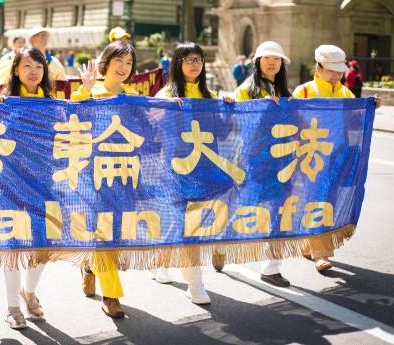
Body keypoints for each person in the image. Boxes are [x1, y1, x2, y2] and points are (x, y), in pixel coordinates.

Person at [153, 42, 234, 304]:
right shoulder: (165, 95)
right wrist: (166, 111)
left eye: (198, 59)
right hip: (175, 171)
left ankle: (179, 273)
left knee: (190, 225)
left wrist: (228, 110)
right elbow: (153, 129)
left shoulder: (210, 97)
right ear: (177, 63)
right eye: (188, 59)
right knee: (182, 224)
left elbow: (220, 133)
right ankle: (192, 279)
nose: (194, 64)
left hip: (205, 171)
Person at [293, 45, 379, 273]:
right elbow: (291, 120)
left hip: (337, 156)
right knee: (317, 199)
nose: (336, 75)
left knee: (327, 200)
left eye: (339, 71)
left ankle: (308, 244)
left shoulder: (345, 93)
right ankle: (321, 253)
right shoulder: (303, 91)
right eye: (331, 70)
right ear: (318, 68)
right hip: (309, 156)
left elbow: (354, 122)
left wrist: (369, 107)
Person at [71, 39, 139, 319]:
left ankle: (89, 266)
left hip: (124, 173)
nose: (123, 67)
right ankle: (111, 296)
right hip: (93, 175)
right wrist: (84, 91)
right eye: (118, 61)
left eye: (129, 63)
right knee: (103, 232)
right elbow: (70, 114)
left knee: (118, 233)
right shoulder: (91, 91)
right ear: (107, 63)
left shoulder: (133, 95)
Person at [0, 47, 51, 329]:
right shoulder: (3, 103)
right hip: (12, 185)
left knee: (42, 247)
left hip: (45, 185)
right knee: (14, 247)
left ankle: (29, 291)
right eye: (27, 66)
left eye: (38, 66)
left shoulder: (53, 104)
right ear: (16, 70)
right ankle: (13, 306)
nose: (33, 71)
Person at [233, 40, 292, 288]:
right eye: (267, 58)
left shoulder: (286, 93)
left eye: (277, 58)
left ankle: (271, 267)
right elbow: (238, 122)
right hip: (253, 160)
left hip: (282, 160)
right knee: (242, 208)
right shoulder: (246, 89)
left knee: (279, 210)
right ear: (257, 62)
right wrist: (264, 109)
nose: (272, 62)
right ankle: (221, 247)